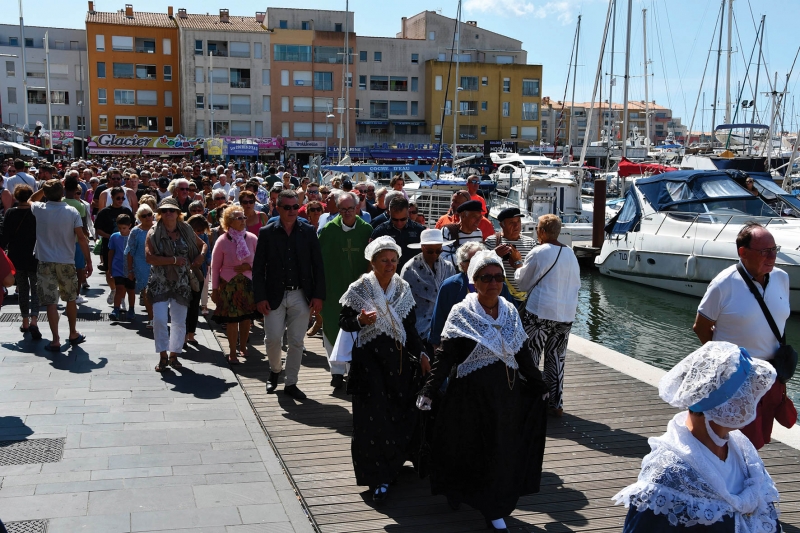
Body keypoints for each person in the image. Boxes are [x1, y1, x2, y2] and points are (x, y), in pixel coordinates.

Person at [417, 251, 548, 531]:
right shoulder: (461, 312)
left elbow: (522, 353)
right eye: (486, 278)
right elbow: (446, 357)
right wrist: (428, 390)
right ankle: (462, 494)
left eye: (498, 277)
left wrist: (539, 384)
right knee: (469, 451)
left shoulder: (510, 311)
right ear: (474, 281)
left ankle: (493, 507)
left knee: (500, 453)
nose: (493, 283)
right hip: (470, 400)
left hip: (505, 398)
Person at [615, 341, 782, 533]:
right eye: (745, 396)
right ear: (722, 405)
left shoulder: (743, 452)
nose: (753, 402)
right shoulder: (668, 473)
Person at [338, 236, 428, 502]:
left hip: (398, 364)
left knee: (397, 414)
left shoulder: (403, 288)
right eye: (384, 261)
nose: (390, 265)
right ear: (372, 261)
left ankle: (394, 465)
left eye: (393, 260)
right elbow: (344, 322)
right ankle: (376, 476)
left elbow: (410, 328)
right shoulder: (359, 288)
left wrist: (421, 353)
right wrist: (359, 319)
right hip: (369, 364)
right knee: (371, 420)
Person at [693, 222, 794, 449]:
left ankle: (750, 481)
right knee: (733, 439)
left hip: (771, 375)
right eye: (764, 251)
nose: (772, 256)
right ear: (743, 252)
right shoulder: (723, 284)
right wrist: (724, 359)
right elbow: (701, 326)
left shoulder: (782, 278)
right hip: (737, 376)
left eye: (774, 249)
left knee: (759, 439)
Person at [253, 190, 325, 399]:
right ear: (278, 207)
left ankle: (291, 382)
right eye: (288, 207)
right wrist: (260, 297)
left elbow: (318, 266)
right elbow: (258, 269)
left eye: (295, 207)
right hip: (273, 295)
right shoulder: (267, 232)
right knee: (272, 339)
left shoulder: (309, 231)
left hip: (301, 294)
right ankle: (275, 370)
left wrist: (318, 295)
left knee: (296, 342)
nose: (293, 211)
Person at [515, 214, 580, 417]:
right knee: (557, 359)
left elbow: (522, 283)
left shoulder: (539, 251)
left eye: (537, 229)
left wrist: (516, 263)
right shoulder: (570, 254)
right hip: (565, 314)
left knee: (531, 357)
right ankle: (556, 403)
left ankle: (530, 401)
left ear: (542, 231)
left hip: (540, 313)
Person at [318, 191, 373, 389]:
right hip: (334, 288)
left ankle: (352, 371)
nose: (347, 212)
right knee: (333, 326)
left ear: (357, 208)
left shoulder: (367, 230)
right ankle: (335, 372)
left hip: (359, 289)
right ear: (338, 210)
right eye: (343, 209)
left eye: (351, 208)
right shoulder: (329, 231)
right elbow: (319, 262)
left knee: (357, 329)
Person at [145, 198, 208, 372]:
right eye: (164, 210)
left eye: (172, 210)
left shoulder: (186, 229)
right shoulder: (153, 232)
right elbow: (149, 257)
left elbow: (202, 244)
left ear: (178, 213)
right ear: (160, 213)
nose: (168, 213)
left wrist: (201, 256)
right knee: (159, 320)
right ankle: (162, 356)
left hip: (182, 282)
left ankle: (174, 355)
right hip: (160, 282)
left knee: (179, 322)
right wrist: (173, 260)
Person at [29, 180, 92, 351]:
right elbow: (81, 238)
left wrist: (43, 189)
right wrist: (89, 260)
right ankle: (73, 333)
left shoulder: (40, 209)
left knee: (51, 302)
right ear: (62, 192)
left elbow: (30, 199)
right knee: (70, 298)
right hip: (66, 261)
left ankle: (55, 339)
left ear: (46, 193)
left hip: (45, 262)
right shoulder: (72, 211)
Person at [429, 242, 513, 349]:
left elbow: (510, 319)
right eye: (473, 260)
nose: (479, 264)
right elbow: (439, 320)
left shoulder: (497, 284)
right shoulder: (449, 286)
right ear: (461, 265)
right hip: (459, 348)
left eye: (482, 259)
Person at [211, 205, 260, 365]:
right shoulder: (222, 240)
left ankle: (243, 347)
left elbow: (261, 261)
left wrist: (249, 266)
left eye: (244, 217)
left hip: (248, 284)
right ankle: (232, 352)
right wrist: (215, 289)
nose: (243, 221)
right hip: (229, 285)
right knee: (232, 321)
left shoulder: (252, 238)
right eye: (239, 218)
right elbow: (215, 266)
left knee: (246, 319)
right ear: (229, 222)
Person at [401, 229, 456, 345]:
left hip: (445, 327)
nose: (435, 254)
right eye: (430, 251)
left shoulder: (448, 267)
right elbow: (403, 304)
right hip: (418, 328)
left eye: (438, 251)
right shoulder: (409, 269)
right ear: (422, 248)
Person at [1, 185, 40, 339]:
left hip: (16, 256)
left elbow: (5, 236)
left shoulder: (10, 213)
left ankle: (25, 321)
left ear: (16, 197)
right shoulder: (36, 213)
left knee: (23, 289)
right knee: (36, 289)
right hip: (35, 255)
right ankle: (34, 321)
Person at [484, 207, 537, 307]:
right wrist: (495, 255)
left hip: (525, 299)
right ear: (501, 225)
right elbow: (483, 268)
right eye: (511, 222)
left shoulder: (530, 242)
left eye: (518, 221)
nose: (516, 226)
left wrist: (518, 261)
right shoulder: (491, 242)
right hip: (500, 298)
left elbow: (535, 270)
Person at [95, 187, 134, 307]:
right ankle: (113, 290)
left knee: (125, 272)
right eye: (118, 198)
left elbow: (133, 226)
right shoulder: (104, 212)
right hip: (109, 244)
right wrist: (110, 236)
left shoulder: (127, 211)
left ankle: (121, 298)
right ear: (112, 197)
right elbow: (98, 229)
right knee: (109, 270)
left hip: (125, 245)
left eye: (123, 198)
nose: (121, 200)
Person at [370, 197, 425, 271]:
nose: (399, 223)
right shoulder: (380, 231)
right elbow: (371, 259)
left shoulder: (419, 230)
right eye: (395, 219)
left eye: (403, 219)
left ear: (408, 212)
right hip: (387, 276)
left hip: (413, 276)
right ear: (389, 212)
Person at [125, 205, 155, 328]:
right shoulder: (135, 231)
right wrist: (130, 270)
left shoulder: (158, 227)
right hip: (141, 265)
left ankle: (159, 317)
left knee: (159, 292)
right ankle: (152, 318)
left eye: (149, 214)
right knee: (147, 292)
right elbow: (130, 251)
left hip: (158, 263)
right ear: (139, 218)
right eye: (144, 216)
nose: (148, 217)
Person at [185, 214, 210, 345]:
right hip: (183, 274)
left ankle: (191, 334)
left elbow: (206, 247)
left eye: (202, 231)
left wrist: (202, 256)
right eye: (198, 231)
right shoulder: (183, 233)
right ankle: (182, 335)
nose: (200, 233)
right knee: (184, 305)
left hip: (197, 273)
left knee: (194, 305)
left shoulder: (203, 237)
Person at [440, 200, 486, 269]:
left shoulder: (478, 232)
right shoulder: (448, 231)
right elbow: (442, 260)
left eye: (480, 217)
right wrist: (467, 255)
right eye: (474, 216)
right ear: (463, 216)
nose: (478, 220)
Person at [107, 214, 135, 321]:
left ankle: (131, 309)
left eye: (124, 228)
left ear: (129, 226)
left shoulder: (133, 237)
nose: (122, 230)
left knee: (130, 290)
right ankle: (116, 309)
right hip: (117, 267)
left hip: (130, 268)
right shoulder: (114, 237)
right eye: (119, 228)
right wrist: (109, 267)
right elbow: (111, 252)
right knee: (119, 288)